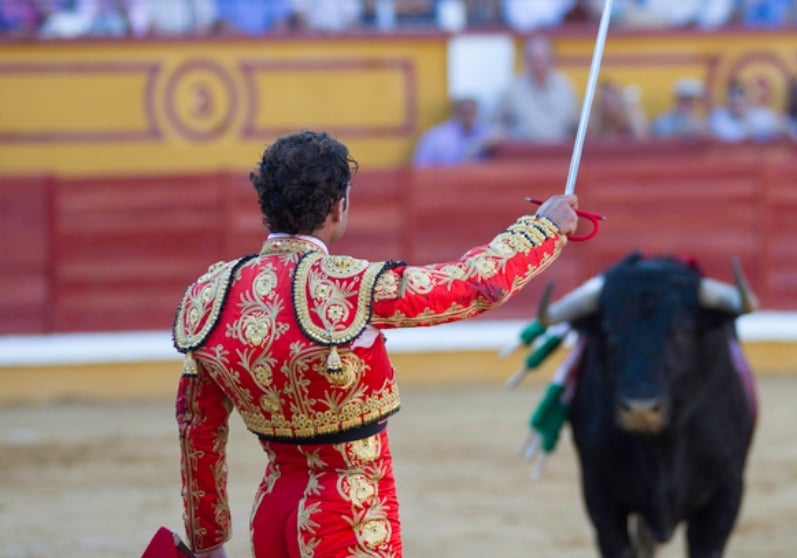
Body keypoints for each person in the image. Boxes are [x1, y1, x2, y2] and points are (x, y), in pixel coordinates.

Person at [171, 130, 578, 558]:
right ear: (337, 206)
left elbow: (196, 427)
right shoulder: (351, 286)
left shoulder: (211, 295)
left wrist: (207, 542)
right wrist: (542, 229)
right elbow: (475, 285)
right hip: (350, 516)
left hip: (272, 516)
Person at [493, 35, 579, 143]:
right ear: (526, 61)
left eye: (543, 60)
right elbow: (498, 124)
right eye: (534, 60)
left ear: (551, 61)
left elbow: (575, 125)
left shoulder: (565, 87)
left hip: (559, 154)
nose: (539, 66)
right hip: (522, 154)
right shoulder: (513, 90)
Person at [412, 97, 492, 167]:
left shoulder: (485, 134)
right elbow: (420, 166)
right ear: (455, 113)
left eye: (472, 113)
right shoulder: (434, 138)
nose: (469, 118)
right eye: (465, 113)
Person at [708, 80, 784, 142]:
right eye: (734, 104)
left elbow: (782, 129)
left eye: (740, 104)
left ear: (748, 102)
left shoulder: (761, 116)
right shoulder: (719, 118)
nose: (738, 108)